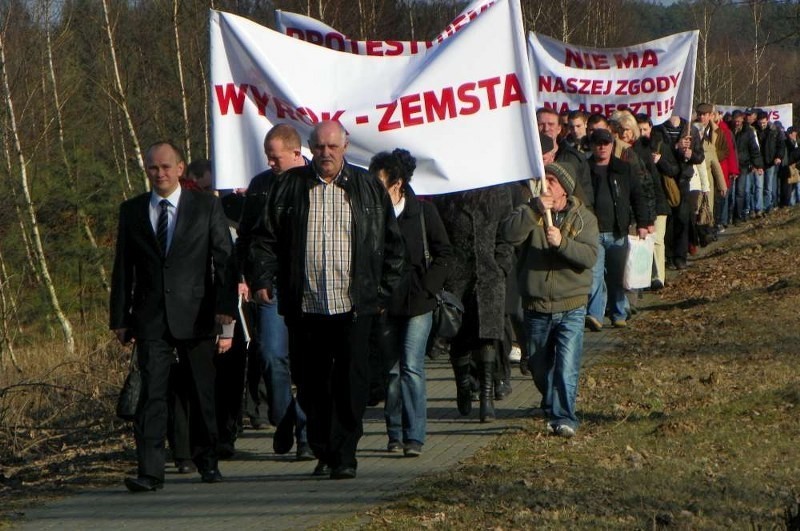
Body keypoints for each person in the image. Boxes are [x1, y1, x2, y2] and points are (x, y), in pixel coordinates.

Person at [248, 120, 405, 480]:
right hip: (306, 305)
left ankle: (345, 454)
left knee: (351, 384)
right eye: (319, 147)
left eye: (333, 147)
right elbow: (263, 238)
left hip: (353, 306)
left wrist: (380, 295)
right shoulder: (289, 187)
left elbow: (394, 248)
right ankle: (322, 448)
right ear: (309, 148)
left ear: (345, 147)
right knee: (312, 383)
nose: (326, 154)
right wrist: (262, 277)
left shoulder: (367, 187)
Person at [110, 141, 237, 491]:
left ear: (180, 169)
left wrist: (225, 313)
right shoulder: (132, 210)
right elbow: (123, 267)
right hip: (150, 317)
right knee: (152, 394)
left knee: (201, 390)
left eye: (166, 167)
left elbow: (224, 260)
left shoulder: (206, 206)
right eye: (153, 168)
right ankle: (150, 471)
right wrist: (120, 317)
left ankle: (207, 460)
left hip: (196, 313)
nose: (160, 173)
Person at [502, 163, 598, 436]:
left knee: (566, 367)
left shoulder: (584, 219)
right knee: (539, 366)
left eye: (553, 181)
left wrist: (563, 244)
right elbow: (508, 234)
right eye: (544, 180)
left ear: (565, 190)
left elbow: (589, 256)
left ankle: (565, 417)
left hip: (572, 305)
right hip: (537, 306)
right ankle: (551, 401)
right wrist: (533, 210)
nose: (547, 185)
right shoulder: (529, 212)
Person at [369, 148, 453, 457]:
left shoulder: (423, 213)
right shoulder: (373, 215)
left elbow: (444, 253)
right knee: (391, 370)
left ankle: (414, 435)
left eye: (380, 183)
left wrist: (430, 288)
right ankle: (394, 433)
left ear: (397, 183)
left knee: (412, 367)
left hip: (419, 302)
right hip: (385, 303)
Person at [237, 124, 312, 461]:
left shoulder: (315, 185)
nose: (270, 163)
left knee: (312, 362)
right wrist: (253, 278)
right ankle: (285, 421)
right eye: (267, 157)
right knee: (270, 354)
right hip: (273, 286)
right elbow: (250, 238)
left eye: (275, 157)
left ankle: (308, 434)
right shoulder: (260, 187)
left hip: (313, 284)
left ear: (296, 153)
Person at [435, 186, 513, 423]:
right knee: (460, 337)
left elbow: (505, 235)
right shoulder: (447, 195)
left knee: (487, 337)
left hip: (489, 277)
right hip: (457, 278)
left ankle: (487, 397)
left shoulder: (499, 193)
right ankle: (463, 385)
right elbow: (441, 237)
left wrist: (501, 265)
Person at [585, 129, 649, 330]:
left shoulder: (624, 168)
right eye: (598, 143)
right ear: (592, 145)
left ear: (612, 145)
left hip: (617, 230)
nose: (602, 147)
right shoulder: (585, 169)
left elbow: (637, 196)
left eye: (605, 142)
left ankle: (618, 312)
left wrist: (643, 223)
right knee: (594, 276)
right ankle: (595, 315)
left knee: (617, 275)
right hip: (594, 232)